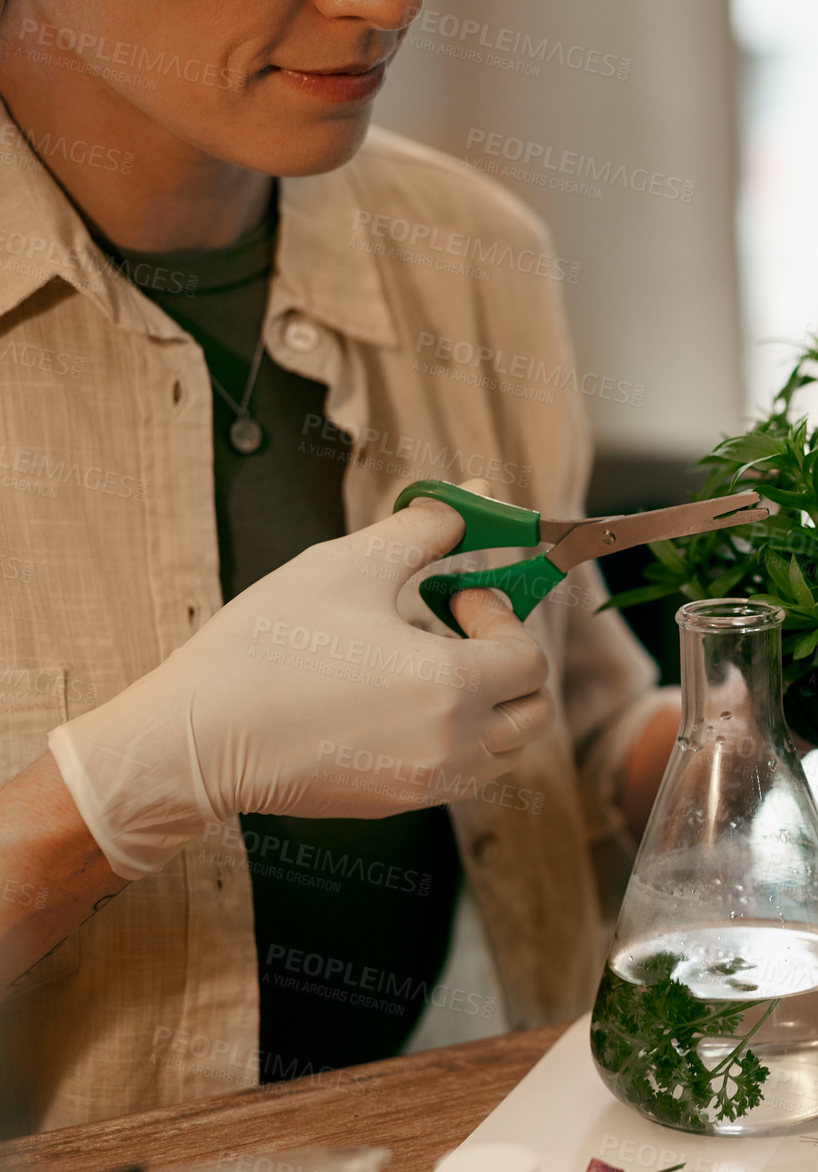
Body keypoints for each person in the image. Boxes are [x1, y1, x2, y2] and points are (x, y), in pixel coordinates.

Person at [0, 0, 683, 1135]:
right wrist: (120, 790)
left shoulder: (472, 253)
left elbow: (579, 737)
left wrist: (774, 715)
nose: (385, 5)